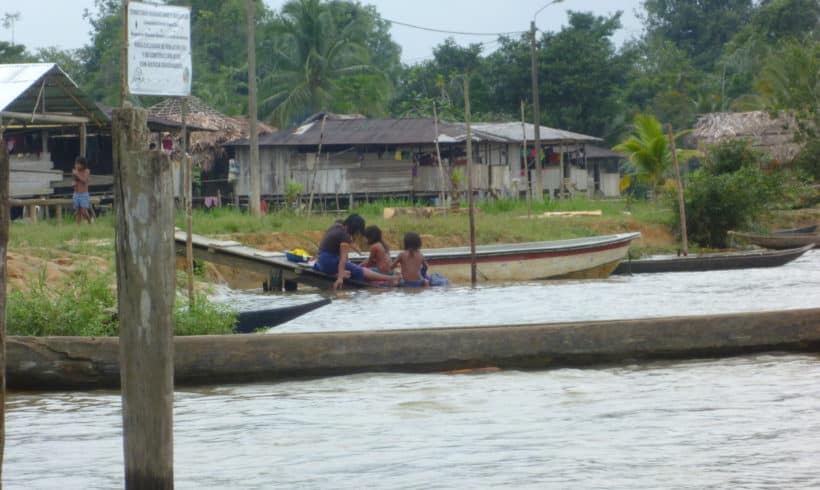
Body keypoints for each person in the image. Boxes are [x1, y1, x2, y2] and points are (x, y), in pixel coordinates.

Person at [314, 214, 397, 290]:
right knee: (359, 270)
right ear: (355, 230)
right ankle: (390, 278)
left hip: (320, 262)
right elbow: (343, 259)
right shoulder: (345, 235)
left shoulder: (335, 227)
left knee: (349, 270)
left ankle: (341, 273)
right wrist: (339, 279)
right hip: (329, 262)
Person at [72, 156, 92, 224]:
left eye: (78, 164)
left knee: (83, 211)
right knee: (78, 212)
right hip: (76, 193)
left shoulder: (87, 171)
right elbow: (75, 181)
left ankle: (89, 220)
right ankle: (78, 227)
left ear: (83, 164)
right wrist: (73, 183)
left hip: (83, 194)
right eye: (76, 164)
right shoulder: (75, 171)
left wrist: (77, 174)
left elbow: (84, 180)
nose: (76, 165)